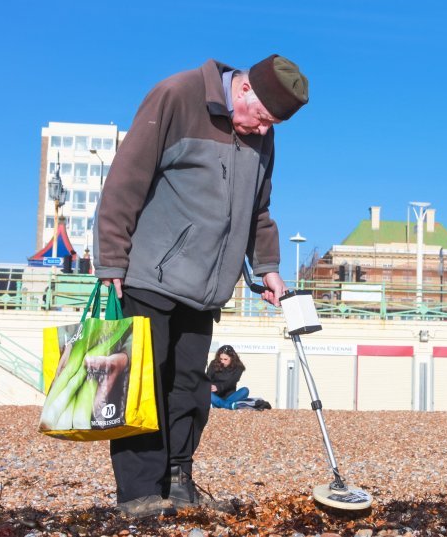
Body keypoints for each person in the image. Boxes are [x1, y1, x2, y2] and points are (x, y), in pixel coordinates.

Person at [93, 55, 308, 519]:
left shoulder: (260, 134)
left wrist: (267, 266)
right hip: (150, 275)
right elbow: (124, 180)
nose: (264, 130)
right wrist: (111, 258)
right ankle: (138, 494)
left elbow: (258, 210)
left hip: (208, 286)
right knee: (143, 385)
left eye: (274, 125)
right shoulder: (177, 95)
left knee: (190, 387)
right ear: (246, 89)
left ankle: (177, 477)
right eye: (263, 118)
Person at [207, 345, 249, 409]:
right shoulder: (214, 363)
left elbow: (231, 382)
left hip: (230, 396)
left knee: (245, 390)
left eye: (225, 359)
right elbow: (208, 378)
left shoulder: (239, 367)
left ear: (232, 358)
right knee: (206, 393)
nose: (222, 361)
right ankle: (228, 406)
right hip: (215, 395)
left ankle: (220, 404)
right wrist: (209, 385)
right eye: (221, 359)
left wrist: (218, 387)